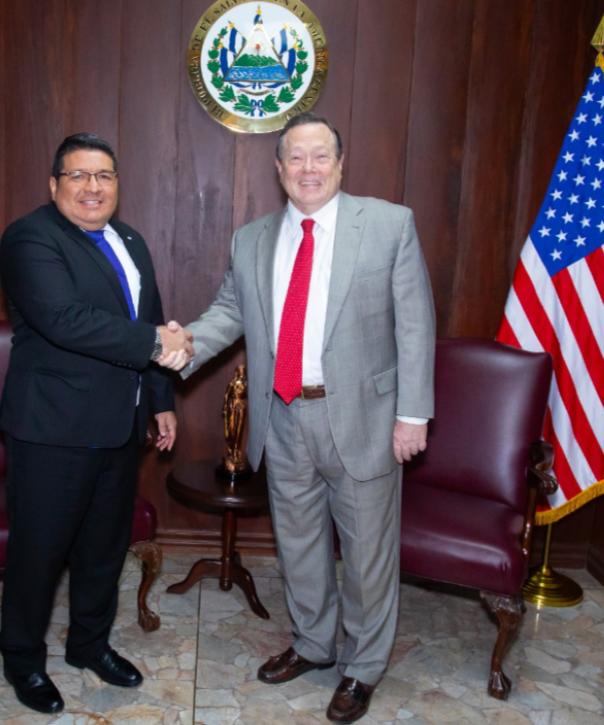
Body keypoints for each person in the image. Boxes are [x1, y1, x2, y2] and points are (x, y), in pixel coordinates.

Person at [181, 112, 435, 723]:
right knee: (298, 546)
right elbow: (228, 312)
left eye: (320, 156)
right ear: (278, 169)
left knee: (369, 554)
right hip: (283, 417)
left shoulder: (389, 225)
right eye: (295, 158)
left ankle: (363, 666)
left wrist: (413, 416)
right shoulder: (253, 239)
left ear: (341, 164)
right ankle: (317, 645)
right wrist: (180, 344)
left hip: (367, 419)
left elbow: (416, 325)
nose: (308, 169)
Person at [0, 132, 193, 714]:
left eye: (103, 176)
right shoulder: (30, 237)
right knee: (39, 551)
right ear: (54, 184)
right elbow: (66, 320)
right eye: (78, 175)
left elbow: (148, 318)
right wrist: (159, 341)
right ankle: (23, 660)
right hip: (52, 428)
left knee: (104, 549)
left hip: (119, 426)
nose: (92, 187)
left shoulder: (128, 239)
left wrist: (160, 399)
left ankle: (88, 645)